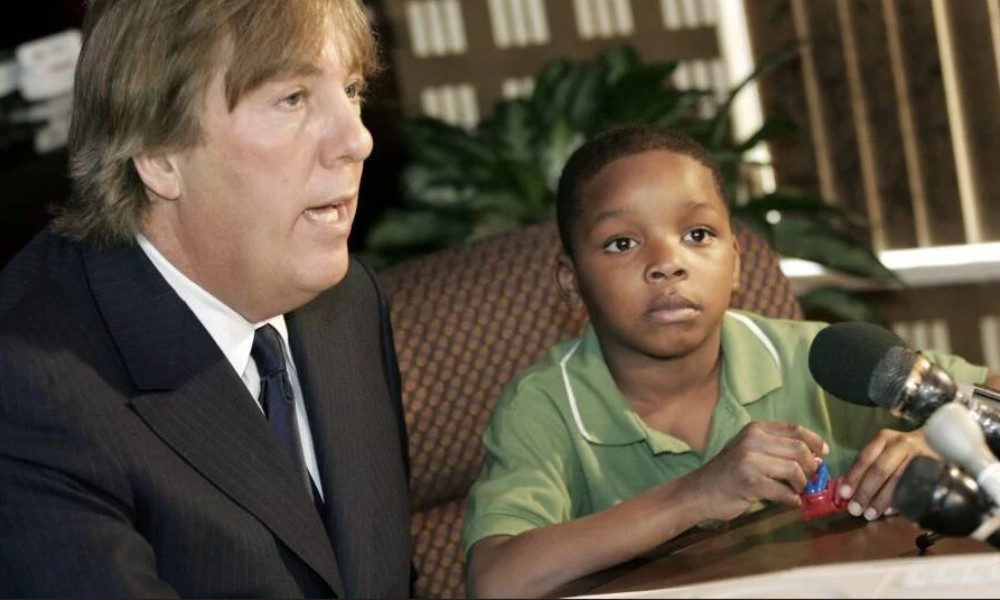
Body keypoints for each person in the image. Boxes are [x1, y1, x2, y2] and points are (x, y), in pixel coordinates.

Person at [461, 125, 1000, 598]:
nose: (668, 263)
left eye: (697, 235)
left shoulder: (817, 359)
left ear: (736, 262)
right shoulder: (547, 406)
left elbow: (992, 395)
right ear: (570, 279)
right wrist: (695, 494)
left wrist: (937, 440)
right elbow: (497, 580)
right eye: (622, 243)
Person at [0, 1, 411, 597]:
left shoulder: (347, 304)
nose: (357, 139)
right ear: (159, 155)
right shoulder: (30, 387)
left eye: (350, 90)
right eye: (293, 99)